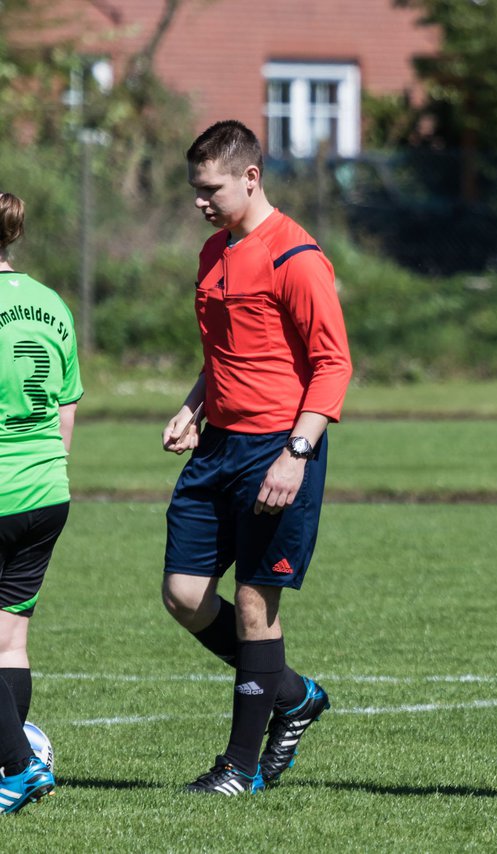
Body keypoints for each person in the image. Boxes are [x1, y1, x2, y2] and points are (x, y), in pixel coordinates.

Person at [160, 120, 352, 795]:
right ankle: (293, 695)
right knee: (184, 596)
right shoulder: (214, 250)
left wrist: (296, 453)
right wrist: (194, 403)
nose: (199, 201)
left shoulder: (296, 257)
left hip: (278, 449)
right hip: (218, 447)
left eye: (209, 188)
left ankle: (239, 768)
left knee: (252, 601)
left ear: (250, 176)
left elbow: (333, 367)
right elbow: (228, 352)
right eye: (194, 189)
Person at [0, 192, 80, 812]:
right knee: (10, 641)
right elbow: (67, 404)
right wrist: (50, 472)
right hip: (48, 488)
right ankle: (12, 765)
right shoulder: (50, 302)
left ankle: (20, 767)